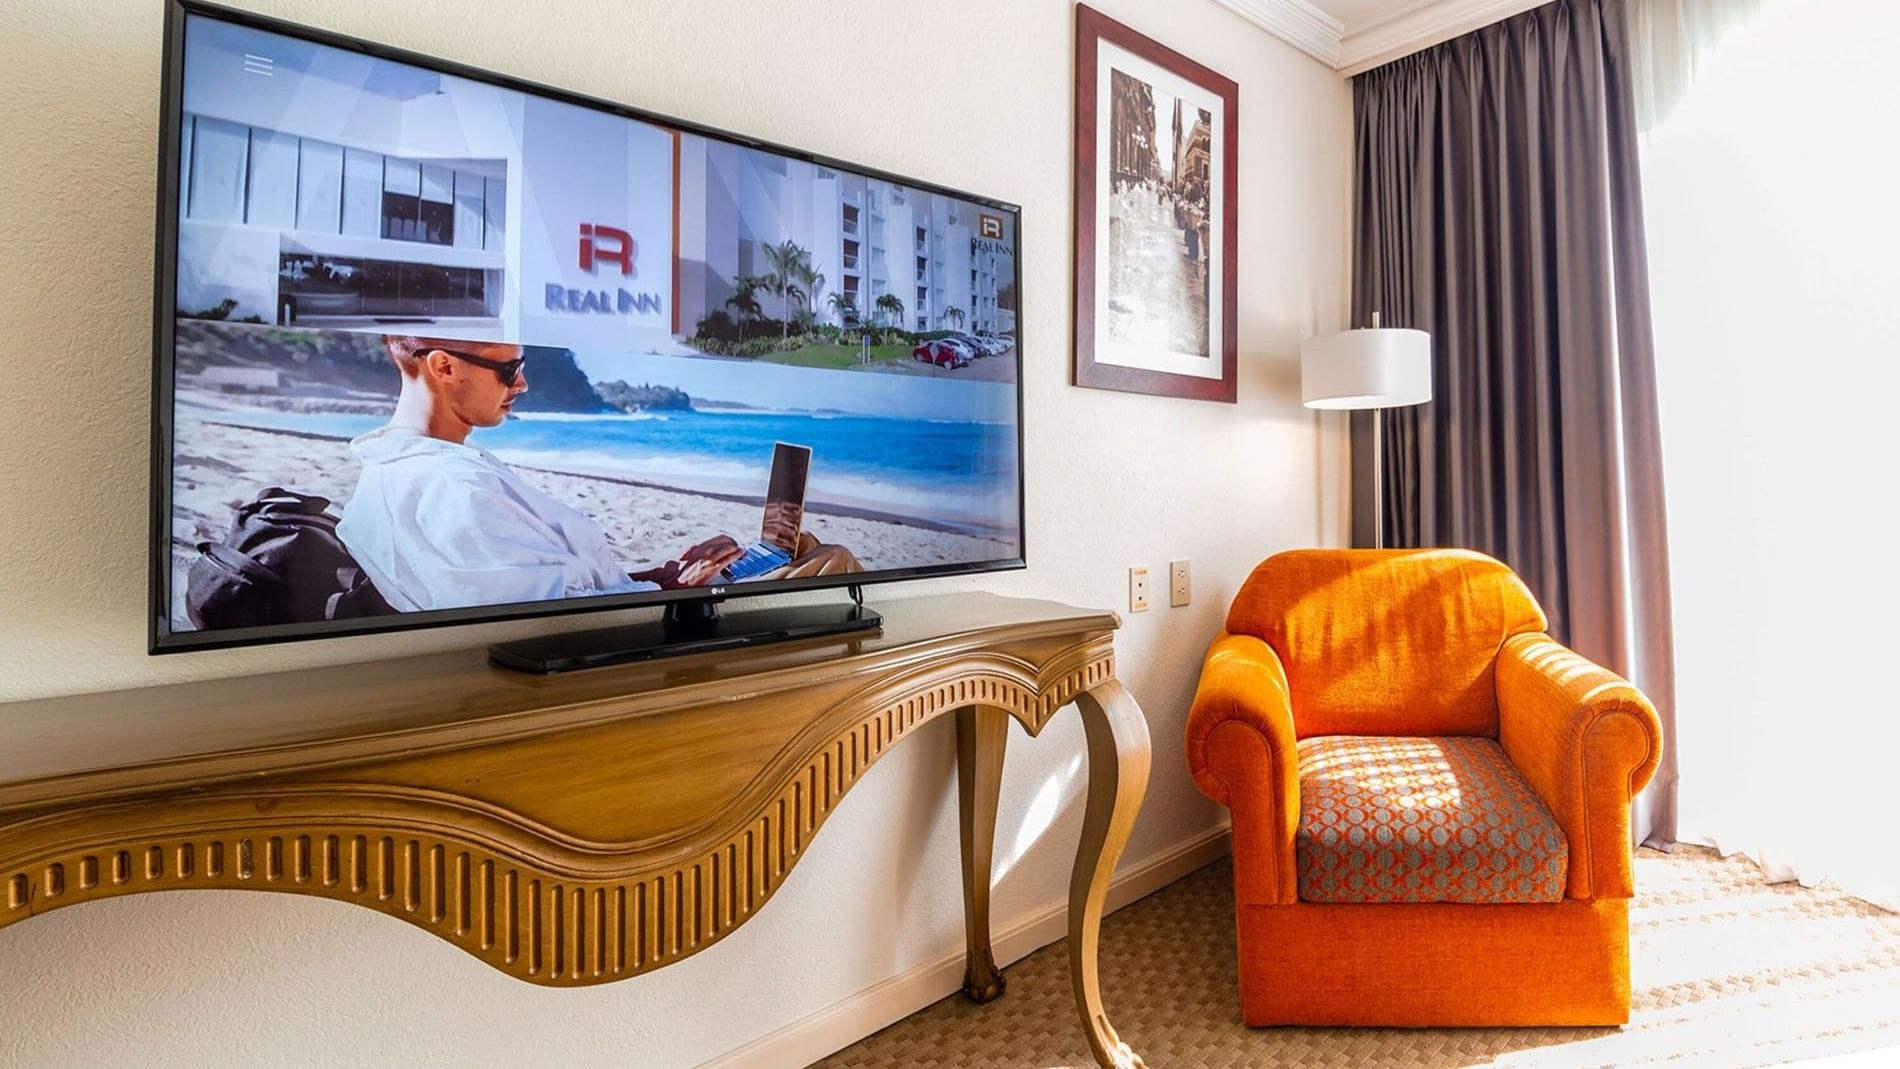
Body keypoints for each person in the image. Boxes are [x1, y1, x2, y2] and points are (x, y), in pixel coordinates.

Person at [337, 334, 858, 613]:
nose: (521, 385)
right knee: (833, 561)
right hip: (655, 637)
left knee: (795, 543)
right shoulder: (450, 490)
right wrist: (674, 595)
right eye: (509, 370)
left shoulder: (417, 467)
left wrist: (659, 575)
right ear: (445, 367)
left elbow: (538, 590)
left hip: (645, 600)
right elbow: (554, 625)